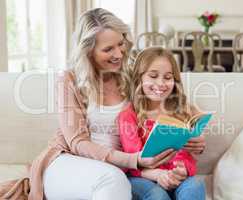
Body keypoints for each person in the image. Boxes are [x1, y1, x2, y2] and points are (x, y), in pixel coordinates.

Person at [0, 8, 206, 200]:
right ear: (89, 51)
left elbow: (176, 98)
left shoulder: (131, 72)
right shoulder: (70, 80)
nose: (118, 53)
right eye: (108, 49)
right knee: (113, 179)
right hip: (69, 161)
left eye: (121, 43)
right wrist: (133, 159)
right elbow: (77, 143)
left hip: (122, 170)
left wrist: (197, 134)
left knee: (117, 179)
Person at [117, 47, 206, 200]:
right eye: (153, 76)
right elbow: (133, 162)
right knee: (158, 195)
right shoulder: (129, 116)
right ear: (139, 79)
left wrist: (181, 170)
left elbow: (187, 155)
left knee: (195, 186)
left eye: (167, 77)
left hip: (177, 176)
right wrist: (158, 175)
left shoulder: (184, 110)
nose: (161, 83)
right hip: (144, 178)